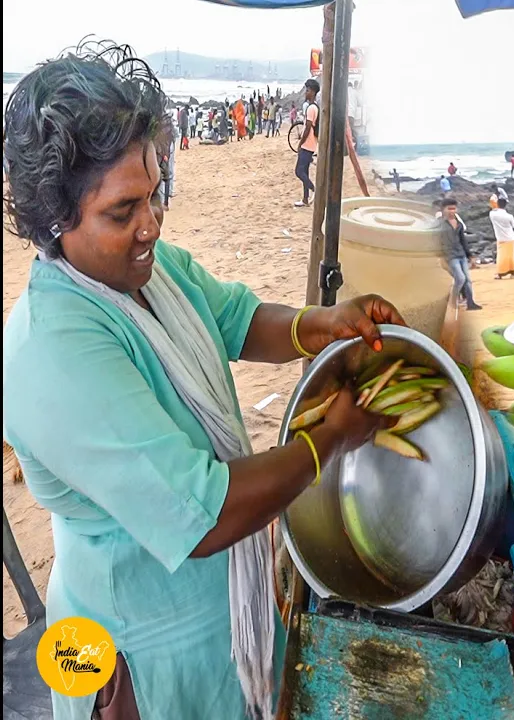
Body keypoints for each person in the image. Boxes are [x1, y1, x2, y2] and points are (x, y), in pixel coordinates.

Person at [2, 42, 408, 719]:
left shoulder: (154, 272)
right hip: (139, 657)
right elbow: (206, 512)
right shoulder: (53, 348)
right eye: (121, 211)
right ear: (55, 219)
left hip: (222, 620)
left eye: (155, 191)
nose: (151, 224)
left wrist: (322, 323)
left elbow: (240, 320)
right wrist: (327, 441)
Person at [440, 198, 482, 310]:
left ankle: (471, 303)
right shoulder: (439, 225)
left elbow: (463, 241)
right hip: (450, 256)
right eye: (449, 209)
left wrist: (470, 256)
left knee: (467, 280)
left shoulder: (458, 224)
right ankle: (452, 302)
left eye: (454, 208)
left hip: (461, 254)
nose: (452, 211)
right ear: (443, 210)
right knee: (460, 278)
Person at [294, 79, 320, 208]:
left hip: (307, 145)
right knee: (305, 171)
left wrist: (300, 143)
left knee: (299, 171)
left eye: (308, 90)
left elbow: (308, 128)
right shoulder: (314, 107)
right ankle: (305, 199)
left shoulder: (311, 108)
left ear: (313, 92)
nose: (306, 92)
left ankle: (314, 189)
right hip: (311, 144)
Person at [490, 197, 514, 279]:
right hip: (510, 237)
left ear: (498, 204)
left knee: (501, 255)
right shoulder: (509, 216)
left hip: (500, 237)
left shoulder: (492, 214)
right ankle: (512, 272)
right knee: (511, 255)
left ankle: (501, 272)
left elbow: (492, 204)